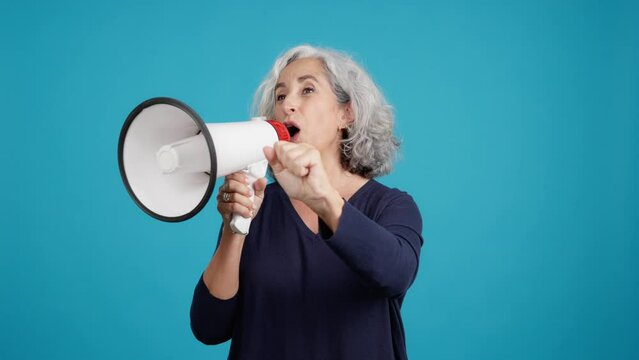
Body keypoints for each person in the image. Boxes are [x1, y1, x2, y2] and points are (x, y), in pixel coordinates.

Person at [190, 44, 424, 360]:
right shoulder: (260, 205)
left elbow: (394, 274)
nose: (288, 105)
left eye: (307, 90)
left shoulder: (391, 207)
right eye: (281, 96)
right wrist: (235, 228)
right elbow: (209, 327)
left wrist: (320, 197)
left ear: (347, 113)